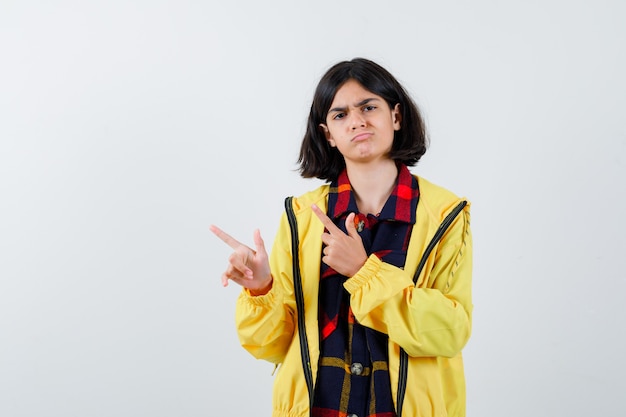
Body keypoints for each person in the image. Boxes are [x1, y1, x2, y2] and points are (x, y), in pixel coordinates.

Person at [210, 57, 473, 417]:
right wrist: (262, 289)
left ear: (396, 117)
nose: (357, 121)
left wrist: (366, 271)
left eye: (369, 107)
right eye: (340, 115)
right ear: (327, 135)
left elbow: (449, 332)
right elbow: (271, 347)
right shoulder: (302, 218)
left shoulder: (444, 215)